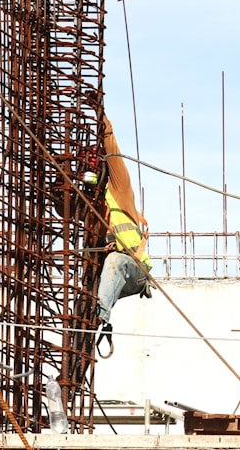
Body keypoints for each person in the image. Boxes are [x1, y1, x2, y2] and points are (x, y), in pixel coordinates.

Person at [96, 116, 153, 341]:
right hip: (109, 278)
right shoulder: (91, 207)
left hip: (135, 270)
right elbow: (63, 207)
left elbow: (112, 151)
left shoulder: (118, 191)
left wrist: (102, 119)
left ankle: (101, 314)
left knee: (115, 261)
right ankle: (91, 317)